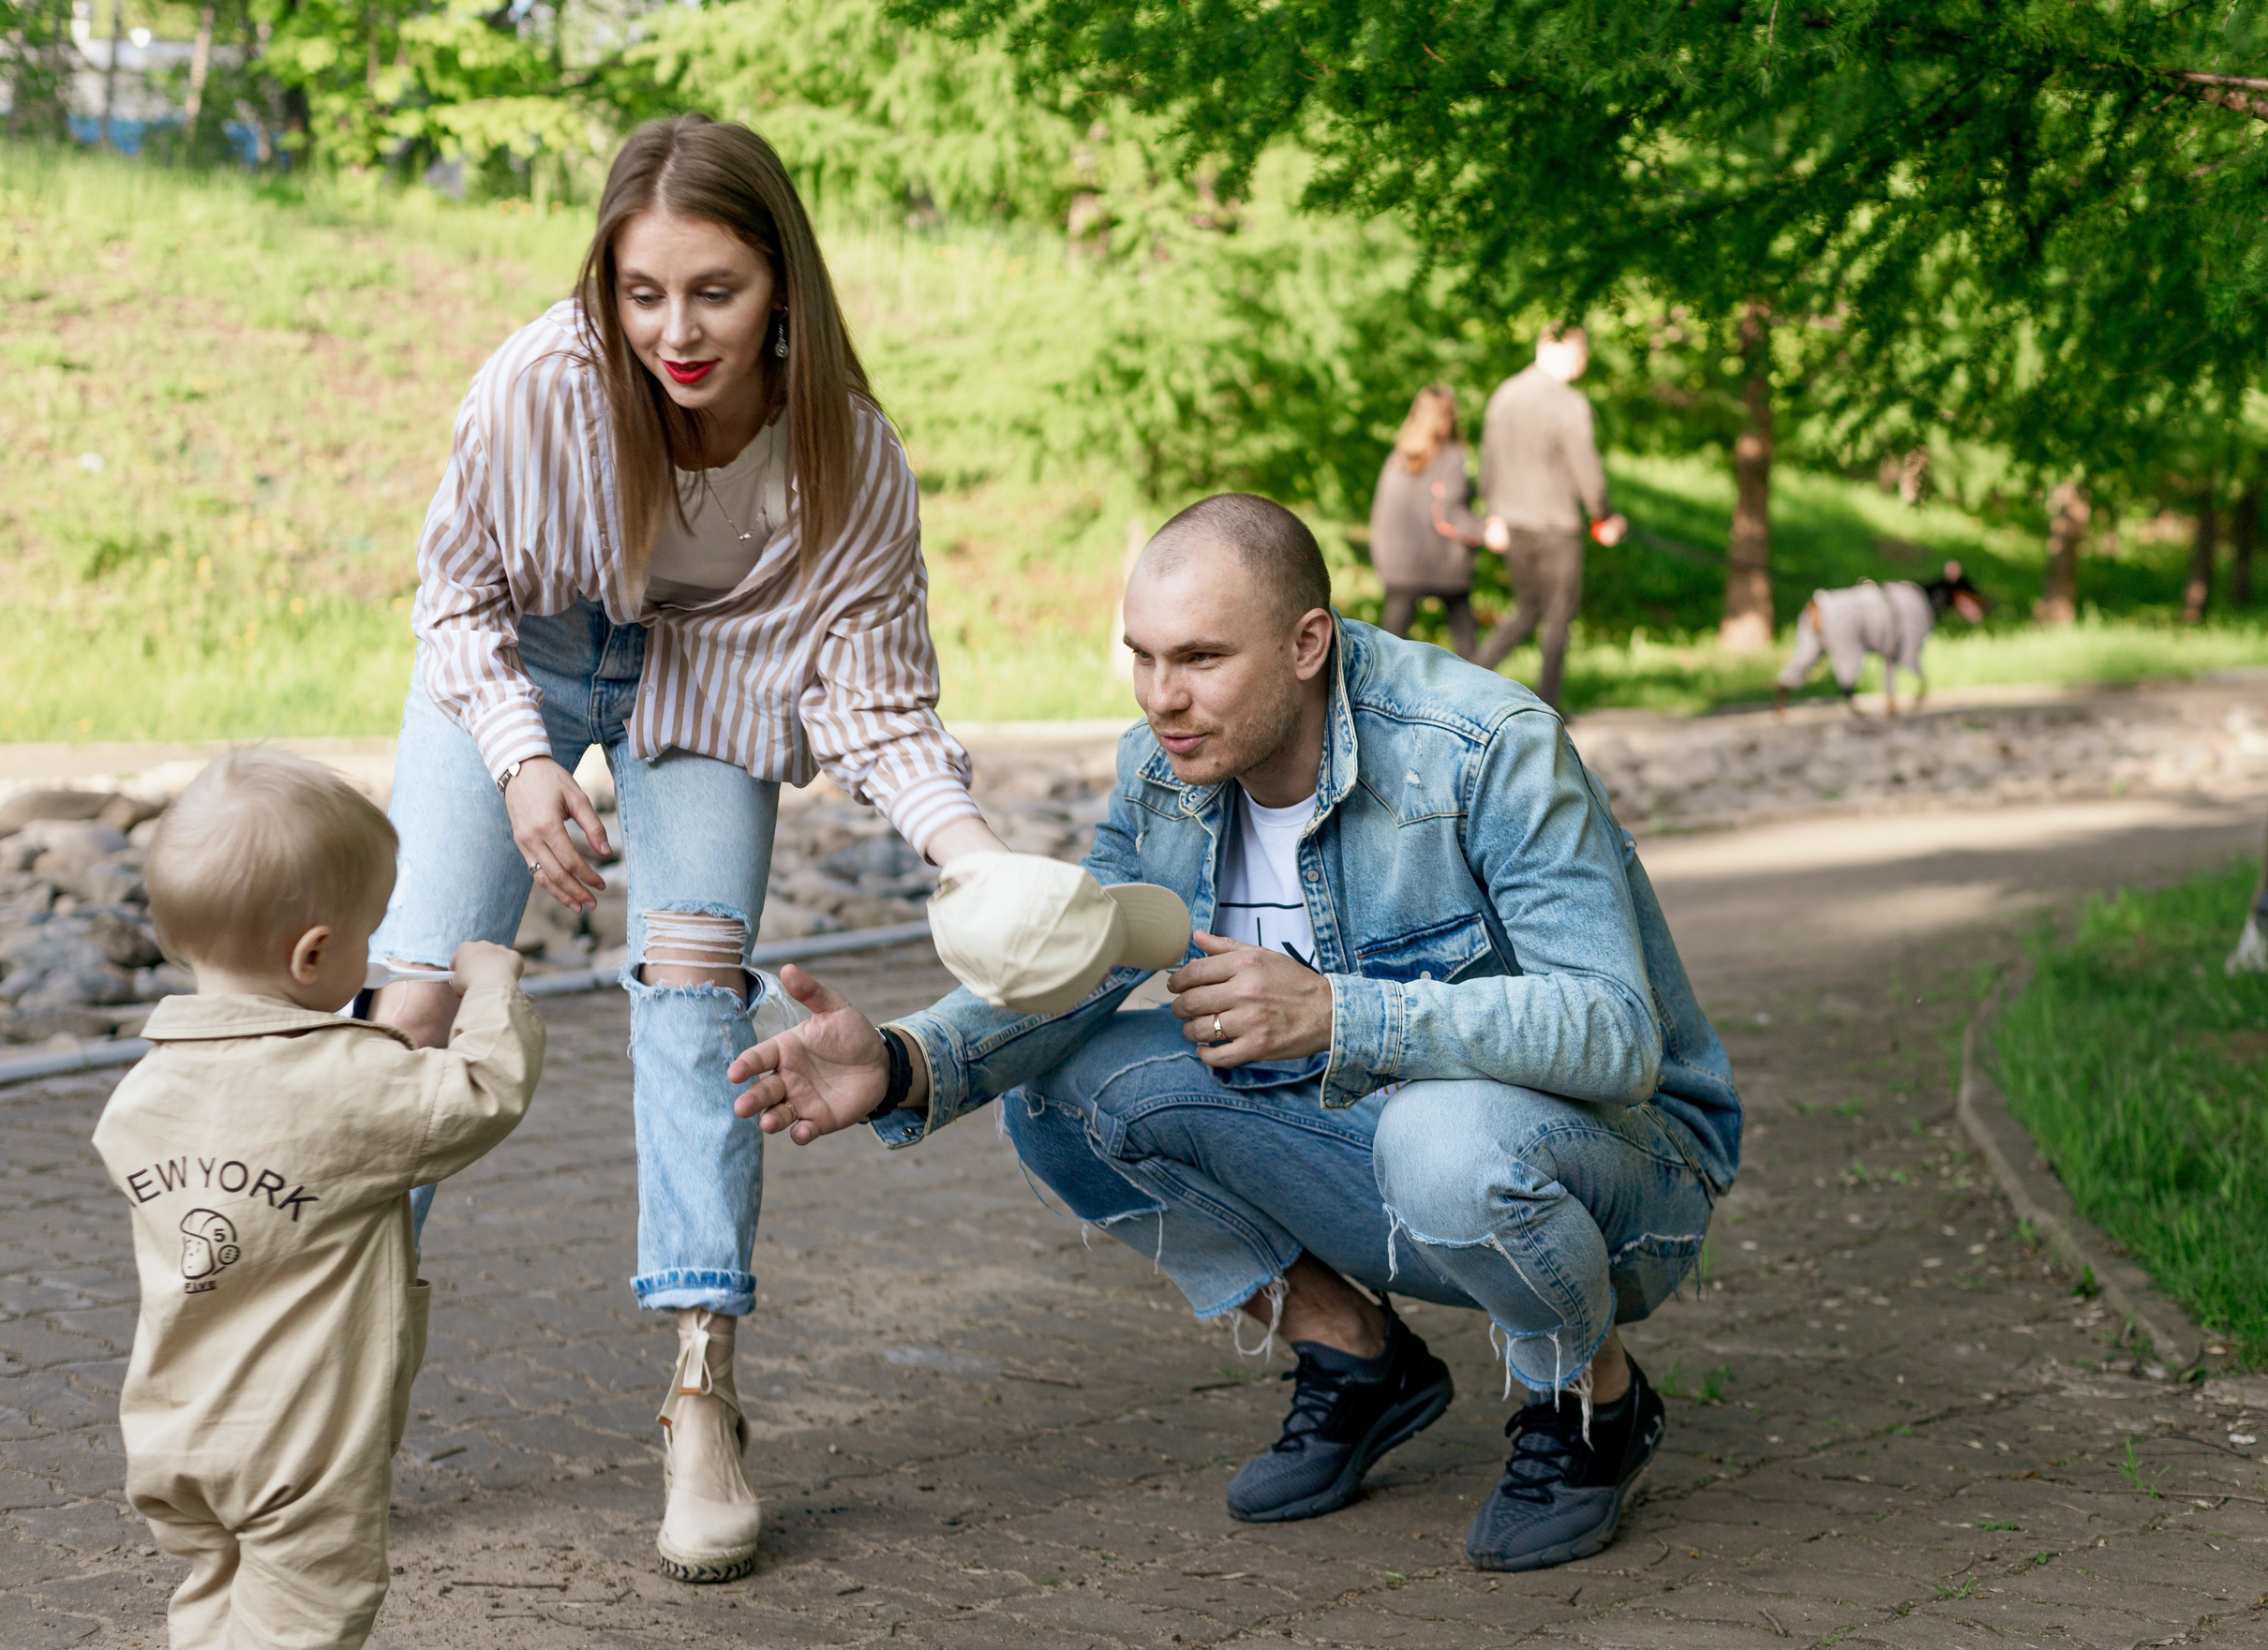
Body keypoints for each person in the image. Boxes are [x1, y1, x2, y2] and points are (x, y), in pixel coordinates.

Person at [727, 494, 1744, 1573]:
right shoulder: (1166, 766)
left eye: (1202, 657)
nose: (1165, 698)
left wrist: (1333, 1008)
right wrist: (897, 1061)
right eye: (1144, 657)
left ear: (1308, 643)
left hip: (1625, 1170)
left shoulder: (1484, 747)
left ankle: (1590, 1400)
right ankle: (1354, 1356)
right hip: (1383, 1141)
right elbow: (1083, 965)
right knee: (1067, 1092)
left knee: (1443, 1139)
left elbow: (1615, 1031)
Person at [364, 114, 1010, 1585]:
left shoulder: (848, 450)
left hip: (705, 683)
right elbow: (455, 601)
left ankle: (702, 1389)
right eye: (642, 291)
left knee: (698, 975)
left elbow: (872, 693)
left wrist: (971, 854)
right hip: (514, 657)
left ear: (782, 279)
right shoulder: (541, 384)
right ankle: (341, 1374)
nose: (675, 329)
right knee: (411, 1010)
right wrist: (524, 761)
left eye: (713, 289)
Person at [96, 749, 544, 1649]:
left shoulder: (139, 1097)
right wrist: (493, 990)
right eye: (368, 935)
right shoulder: (351, 1084)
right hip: (299, 1450)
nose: (375, 953)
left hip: (174, 1433)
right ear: (313, 953)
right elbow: (481, 1093)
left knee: (212, 1599)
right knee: (303, 1623)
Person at [1471, 328, 1628, 709]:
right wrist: (1602, 514)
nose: (1584, 361)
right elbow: (1586, 467)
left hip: (1512, 522)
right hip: (1557, 524)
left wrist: (1491, 512)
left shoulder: (1504, 394)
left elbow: (1487, 460)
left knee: (1527, 608)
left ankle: (1470, 677)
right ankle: (1550, 707)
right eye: (1581, 353)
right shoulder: (1568, 403)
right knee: (1557, 614)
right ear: (1562, 352)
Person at [1774, 561, 1987, 716]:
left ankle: (1781, 699)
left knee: (1805, 655)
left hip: (1819, 608)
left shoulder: (1909, 599)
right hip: (1843, 616)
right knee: (1847, 658)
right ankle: (1854, 702)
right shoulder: (1913, 607)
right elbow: (1903, 653)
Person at [1369, 383, 1482, 654]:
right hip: (1445, 568)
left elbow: (1380, 513)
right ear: (1450, 415)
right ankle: (1478, 693)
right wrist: (1486, 531)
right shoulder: (1452, 457)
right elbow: (1450, 514)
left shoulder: (1396, 459)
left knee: (1388, 652)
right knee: (1467, 645)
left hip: (1397, 565)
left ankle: (1370, 695)